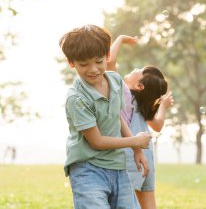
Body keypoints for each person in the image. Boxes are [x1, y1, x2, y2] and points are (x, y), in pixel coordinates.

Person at [60, 24, 152, 209]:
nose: (93, 69)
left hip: (117, 166)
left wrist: (137, 150)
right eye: (84, 64)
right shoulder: (77, 98)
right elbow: (97, 142)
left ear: (107, 56)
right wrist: (134, 141)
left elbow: (116, 116)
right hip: (87, 169)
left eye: (99, 61)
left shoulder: (115, 81)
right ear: (72, 63)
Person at [108, 35, 174, 209]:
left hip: (132, 158)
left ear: (139, 86)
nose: (136, 68)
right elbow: (158, 126)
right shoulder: (144, 105)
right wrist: (164, 105)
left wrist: (121, 39)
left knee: (126, 204)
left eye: (140, 70)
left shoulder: (123, 94)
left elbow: (110, 61)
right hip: (148, 156)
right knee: (148, 204)